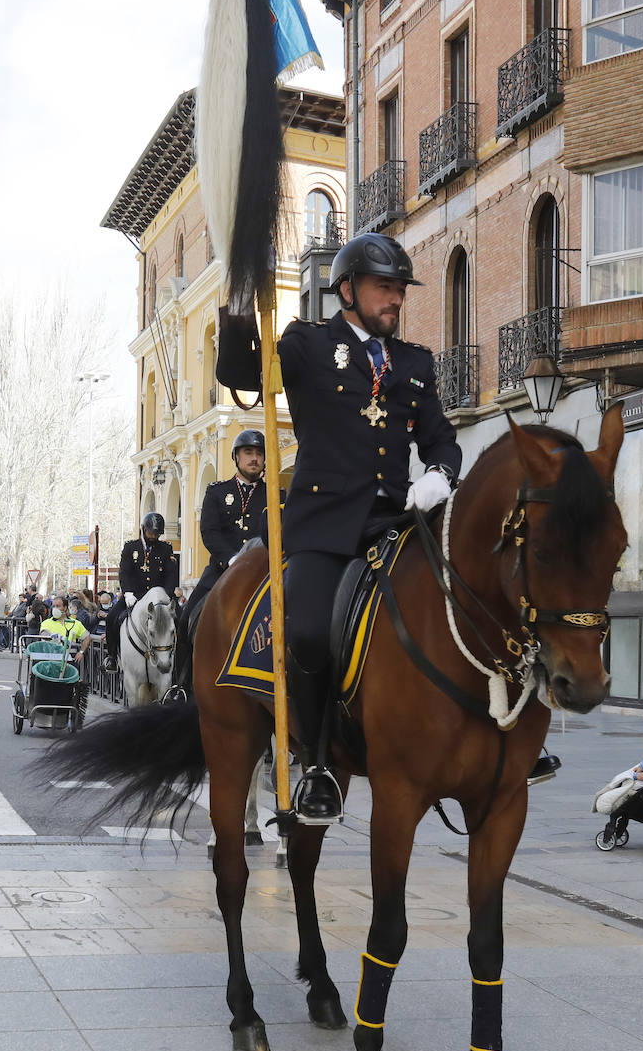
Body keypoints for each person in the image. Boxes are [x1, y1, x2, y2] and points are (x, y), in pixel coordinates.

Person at [277, 232, 461, 821]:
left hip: (394, 519)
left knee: (468, 601)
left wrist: (437, 476)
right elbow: (243, 368)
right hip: (323, 524)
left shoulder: (414, 363)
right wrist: (236, 312)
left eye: (401, 289)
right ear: (348, 290)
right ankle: (316, 763)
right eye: (385, 287)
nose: (396, 299)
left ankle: (489, 739)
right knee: (306, 632)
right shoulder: (307, 344)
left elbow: (441, 440)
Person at [173, 428, 280, 690]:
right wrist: (232, 560)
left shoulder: (276, 495)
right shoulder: (217, 492)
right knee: (186, 618)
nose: (254, 458)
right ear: (236, 457)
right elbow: (209, 532)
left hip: (262, 574)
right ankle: (181, 687)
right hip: (222, 570)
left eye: (259, 453)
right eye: (248, 453)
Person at [104, 512, 178, 671]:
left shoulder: (166, 548)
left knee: (182, 619)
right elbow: (125, 571)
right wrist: (128, 592)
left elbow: (171, 574)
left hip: (160, 598)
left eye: (156, 533)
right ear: (143, 529)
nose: (153, 536)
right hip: (135, 595)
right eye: (151, 532)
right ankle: (111, 657)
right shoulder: (131, 547)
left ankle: (180, 661)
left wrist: (167, 594)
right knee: (112, 618)